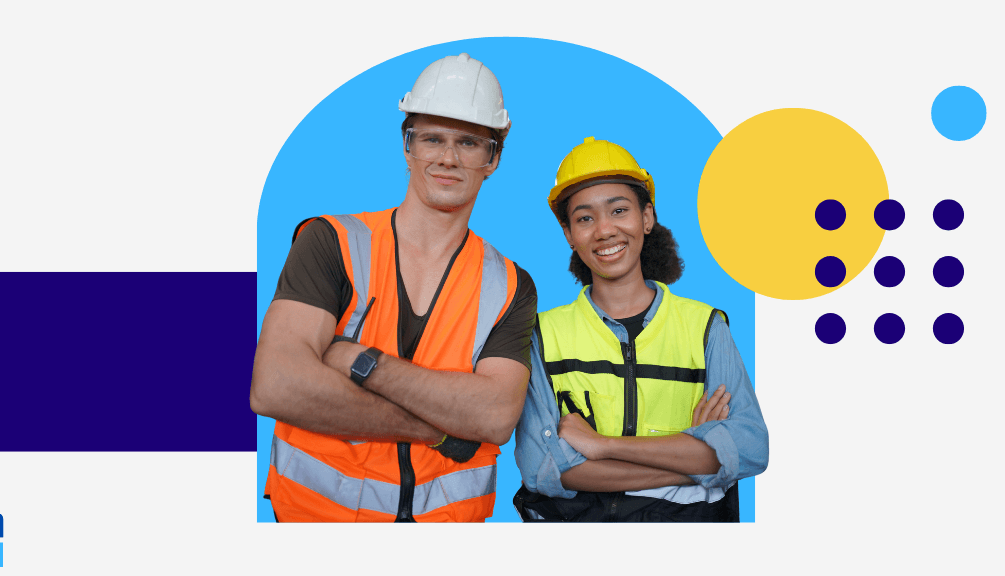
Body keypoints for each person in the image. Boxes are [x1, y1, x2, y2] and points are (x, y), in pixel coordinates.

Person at [251, 53, 537, 522]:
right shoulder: (331, 242)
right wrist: (437, 429)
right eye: (431, 139)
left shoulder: (509, 284)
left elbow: (494, 416)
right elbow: (276, 385)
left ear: (493, 159)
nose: (447, 157)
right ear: (408, 148)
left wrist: (363, 362)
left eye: (469, 142)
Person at [513, 137, 769, 522]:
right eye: (584, 218)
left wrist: (602, 446)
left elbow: (751, 450)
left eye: (619, 210)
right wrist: (693, 454)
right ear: (568, 233)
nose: (604, 230)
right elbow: (543, 470)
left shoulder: (705, 328)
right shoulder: (543, 336)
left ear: (647, 218)